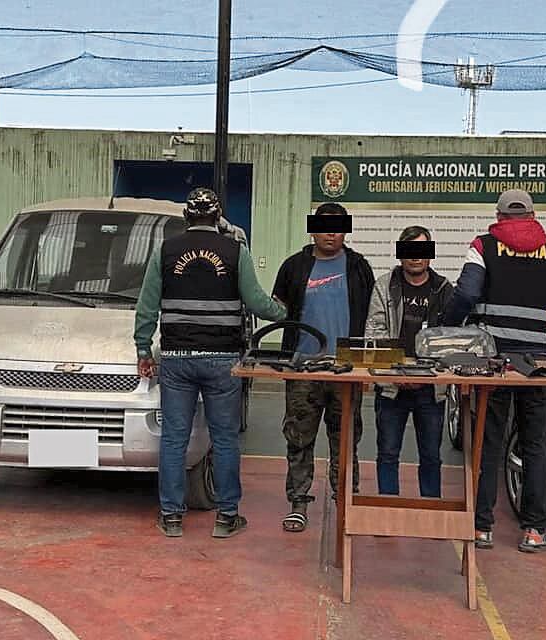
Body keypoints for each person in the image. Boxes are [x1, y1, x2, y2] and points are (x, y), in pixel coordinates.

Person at [134, 187, 286, 539]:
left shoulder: (166, 250)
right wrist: (283, 310)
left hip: (176, 359)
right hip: (222, 360)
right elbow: (257, 302)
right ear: (218, 218)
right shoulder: (236, 251)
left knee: (174, 439)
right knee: (225, 438)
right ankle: (227, 517)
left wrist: (144, 349)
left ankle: (171, 517)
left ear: (187, 217)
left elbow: (147, 307)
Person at [442, 189, 546, 553]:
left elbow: (466, 293)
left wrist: (449, 328)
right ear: (533, 215)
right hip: (539, 364)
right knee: (534, 444)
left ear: (499, 215)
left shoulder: (484, 245)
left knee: (489, 442)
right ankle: (534, 529)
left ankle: (481, 528)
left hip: (495, 363)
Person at [272, 202, 376, 534]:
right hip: (303, 370)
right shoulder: (293, 266)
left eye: (338, 226)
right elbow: (277, 309)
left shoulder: (360, 267)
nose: (331, 232)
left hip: (347, 371)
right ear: (312, 229)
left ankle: (346, 502)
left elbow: (372, 319)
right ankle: (298, 503)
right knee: (298, 439)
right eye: (324, 226)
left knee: (345, 440)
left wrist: (369, 366)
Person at [365, 225, 453, 498]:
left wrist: (428, 374)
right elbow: (374, 333)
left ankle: (431, 513)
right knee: (388, 453)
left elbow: (451, 339)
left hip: (431, 389)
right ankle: (388, 510)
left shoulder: (444, 289)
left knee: (431, 456)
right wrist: (395, 372)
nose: (416, 257)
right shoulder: (384, 286)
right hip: (393, 386)